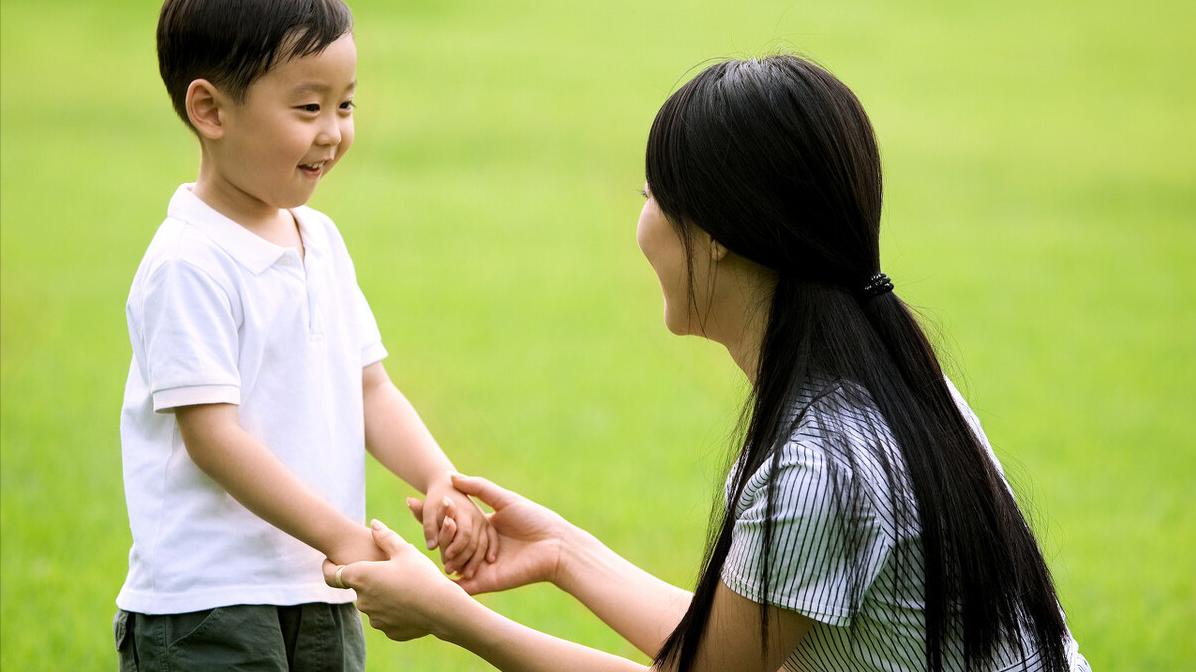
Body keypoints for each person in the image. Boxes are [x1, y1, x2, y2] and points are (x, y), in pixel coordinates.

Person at [325, 54, 1091, 671]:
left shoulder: (819, 464)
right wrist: (562, 553)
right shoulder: (889, 386)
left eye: (652, 194)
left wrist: (454, 619)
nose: (641, 222)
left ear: (719, 233)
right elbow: (727, 646)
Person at [113, 1, 496, 669]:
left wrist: (438, 475)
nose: (334, 133)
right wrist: (344, 538)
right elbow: (214, 439)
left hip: (320, 591)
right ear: (211, 110)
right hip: (210, 605)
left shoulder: (319, 240)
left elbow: (369, 387)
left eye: (345, 105)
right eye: (308, 108)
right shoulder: (188, 261)